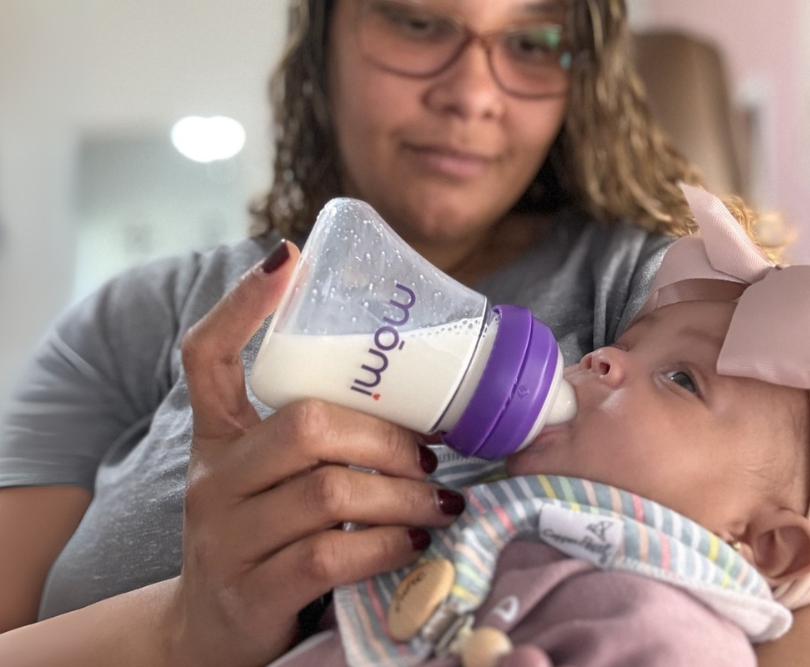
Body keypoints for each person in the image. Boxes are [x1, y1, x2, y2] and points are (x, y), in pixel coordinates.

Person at [0, 1, 807, 666]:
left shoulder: (674, 310)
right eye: (419, 22)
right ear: (325, 31)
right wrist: (184, 629)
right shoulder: (129, 321)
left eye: (531, 42)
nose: (473, 94)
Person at [269, 186, 810, 666]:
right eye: (625, 344)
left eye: (681, 379)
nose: (602, 358)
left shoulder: (677, 635)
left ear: (767, 546)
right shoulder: (488, 510)